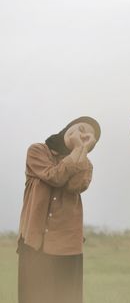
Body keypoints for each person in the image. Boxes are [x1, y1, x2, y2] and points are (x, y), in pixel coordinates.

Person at [17, 116, 101, 303]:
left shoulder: (86, 165)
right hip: (33, 240)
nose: (82, 134)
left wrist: (81, 150)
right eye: (80, 128)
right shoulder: (37, 150)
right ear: (68, 127)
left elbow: (73, 185)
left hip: (67, 245)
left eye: (88, 136)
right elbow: (54, 176)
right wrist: (76, 154)